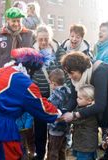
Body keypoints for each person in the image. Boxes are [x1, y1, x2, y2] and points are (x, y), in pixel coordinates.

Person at [0, 47, 61, 160]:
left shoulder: (0, 71)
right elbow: (42, 108)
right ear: (30, 69)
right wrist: (60, 114)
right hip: (0, 129)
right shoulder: (24, 83)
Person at [32, 24, 66, 160]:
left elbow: (65, 71)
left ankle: (54, 155)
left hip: (56, 95)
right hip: (39, 96)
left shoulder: (58, 50)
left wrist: (65, 91)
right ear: (36, 39)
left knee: (56, 127)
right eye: (41, 39)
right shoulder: (32, 53)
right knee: (39, 128)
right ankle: (40, 154)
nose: (44, 42)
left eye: (46, 39)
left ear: (50, 38)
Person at [60, 51, 108, 129]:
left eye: (72, 73)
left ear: (80, 69)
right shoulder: (76, 76)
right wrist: (61, 112)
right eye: (67, 73)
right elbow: (73, 99)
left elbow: (100, 105)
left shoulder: (100, 72)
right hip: (97, 108)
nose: (70, 77)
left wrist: (74, 115)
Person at [47, 68, 71, 160]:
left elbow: (51, 111)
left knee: (53, 151)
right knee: (61, 149)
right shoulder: (68, 91)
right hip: (65, 126)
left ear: (54, 83)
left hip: (55, 127)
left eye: (50, 83)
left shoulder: (54, 96)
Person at [72, 84, 98, 160]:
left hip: (86, 145)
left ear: (89, 100)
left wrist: (64, 117)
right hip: (81, 143)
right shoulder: (81, 107)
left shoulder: (88, 112)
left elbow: (74, 120)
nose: (77, 99)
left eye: (80, 98)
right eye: (77, 97)